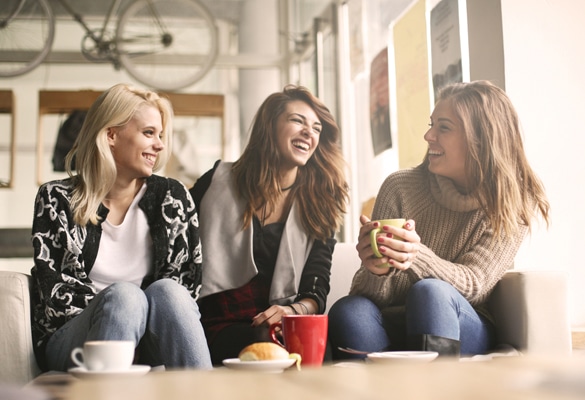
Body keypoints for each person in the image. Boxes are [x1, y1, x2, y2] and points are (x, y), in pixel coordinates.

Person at [328, 80, 550, 359]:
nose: (428, 136)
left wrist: (414, 257)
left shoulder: (509, 202)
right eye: (431, 124)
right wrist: (376, 270)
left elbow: (475, 284)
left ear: (481, 139)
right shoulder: (400, 187)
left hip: (459, 323)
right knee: (349, 310)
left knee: (430, 293)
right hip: (390, 324)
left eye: (443, 127)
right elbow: (372, 297)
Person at [30, 83, 212, 372]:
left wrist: (140, 326)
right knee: (126, 297)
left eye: (161, 135)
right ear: (111, 135)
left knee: (169, 291)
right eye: (149, 133)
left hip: (148, 336)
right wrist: (128, 314)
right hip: (74, 338)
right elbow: (58, 297)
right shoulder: (57, 199)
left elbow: (188, 282)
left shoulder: (172, 197)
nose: (160, 145)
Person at [190, 85, 349, 365]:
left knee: (320, 345)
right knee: (267, 345)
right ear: (269, 126)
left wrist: (293, 310)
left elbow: (316, 287)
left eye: (316, 128)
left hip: (284, 323)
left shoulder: (320, 203)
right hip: (218, 323)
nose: (309, 133)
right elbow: (179, 252)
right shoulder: (215, 181)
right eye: (297, 120)